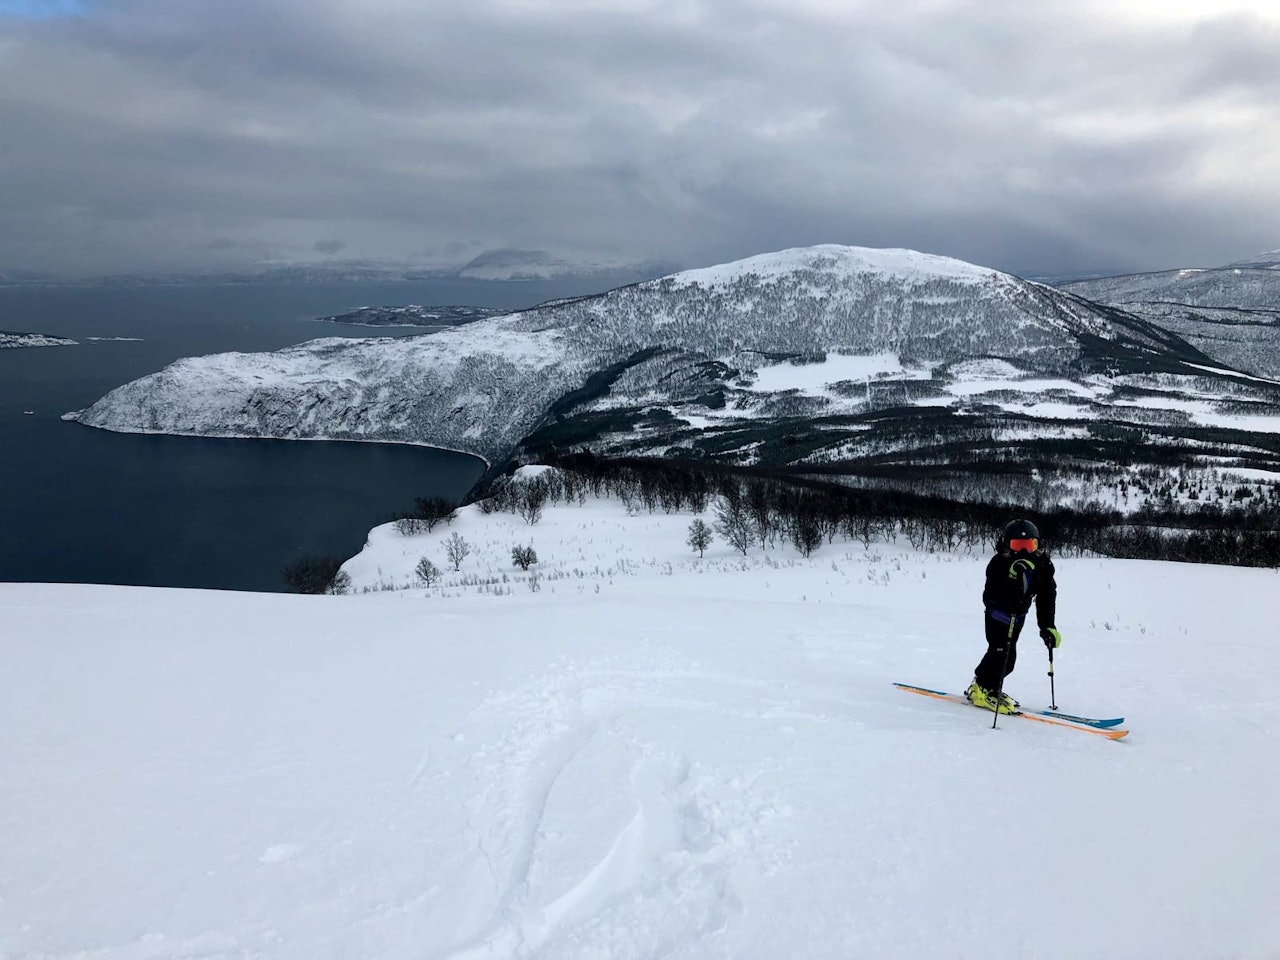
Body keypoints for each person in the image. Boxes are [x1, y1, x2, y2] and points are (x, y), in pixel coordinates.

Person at [965, 518, 1063, 713]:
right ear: (1007, 545)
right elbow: (990, 595)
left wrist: (1047, 626)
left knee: (1006, 657)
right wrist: (1011, 578)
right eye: (1018, 545)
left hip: (1018, 617)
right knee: (1002, 656)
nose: (1024, 551)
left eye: (1029, 545)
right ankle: (983, 689)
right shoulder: (998, 563)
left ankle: (984, 685)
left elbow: (1047, 596)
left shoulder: (1042, 565)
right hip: (998, 616)